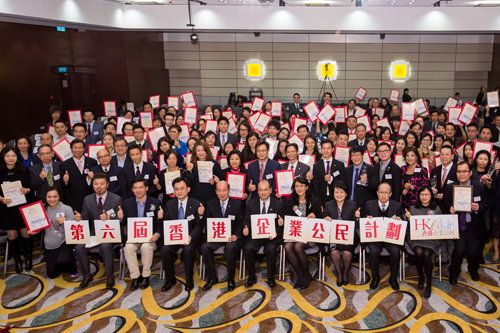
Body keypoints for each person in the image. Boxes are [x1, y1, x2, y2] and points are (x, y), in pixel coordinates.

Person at [74, 172, 122, 289]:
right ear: (92, 184)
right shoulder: (87, 199)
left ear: (107, 184)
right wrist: (80, 217)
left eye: (102, 184)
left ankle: (110, 276)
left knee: (105, 246)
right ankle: (86, 275)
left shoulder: (116, 199)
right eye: (96, 184)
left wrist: (110, 218)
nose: (98, 186)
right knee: (79, 246)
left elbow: (120, 220)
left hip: (109, 232)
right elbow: (85, 217)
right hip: (93, 233)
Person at [445, 161, 490, 284]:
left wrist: (478, 207)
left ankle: (473, 269)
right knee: (458, 251)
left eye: (464, 171)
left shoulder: (479, 187)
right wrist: (450, 208)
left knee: (474, 252)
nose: (462, 174)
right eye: (459, 171)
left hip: (474, 225)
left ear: (470, 173)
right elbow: (446, 202)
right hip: (458, 225)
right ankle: (454, 272)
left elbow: (486, 204)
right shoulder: (450, 187)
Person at [160, 177, 205, 292]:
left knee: (188, 250)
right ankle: (170, 279)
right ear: (173, 191)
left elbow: (199, 226)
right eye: (176, 189)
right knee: (165, 249)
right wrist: (160, 217)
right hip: (174, 237)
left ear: (188, 189)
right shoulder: (169, 204)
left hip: (190, 238)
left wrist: (200, 216)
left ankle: (189, 279)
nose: (179, 191)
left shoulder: (196, 204)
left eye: (182, 188)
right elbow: (166, 224)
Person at [200, 181, 244, 291]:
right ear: (216, 192)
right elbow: (205, 222)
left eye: (224, 190)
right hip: (216, 236)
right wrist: (201, 215)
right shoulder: (211, 204)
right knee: (205, 247)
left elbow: (241, 223)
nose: (222, 193)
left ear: (228, 190)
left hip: (231, 237)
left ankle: (230, 278)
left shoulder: (237, 204)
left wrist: (236, 235)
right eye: (219, 190)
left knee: (230, 248)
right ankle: (212, 278)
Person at [121, 179, 163, 290]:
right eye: (135, 188)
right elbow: (125, 223)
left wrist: (157, 234)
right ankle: (135, 277)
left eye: (141, 187)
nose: (138, 190)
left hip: (150, 238)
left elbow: (160, 223)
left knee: (145, 247)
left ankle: (145, 275)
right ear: (132, 190)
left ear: (146, 188)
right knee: (128, 248)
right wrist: (121, 218)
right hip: (134, 237)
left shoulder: (155, 203)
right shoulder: (127, 203)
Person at [283, 177, 323, 290]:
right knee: (287, 247)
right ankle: (301, 274)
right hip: (295, 233)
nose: (299, 188)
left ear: (306, 187)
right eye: (296, 186)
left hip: (310, 234)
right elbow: (287, 219)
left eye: (301, 185)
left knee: (298, 246)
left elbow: (322, 218)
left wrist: (315, 216)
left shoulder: (314, 200)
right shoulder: (290, 201)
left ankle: (304, 275)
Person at [242, 180, 283, 288]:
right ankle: (251, 277)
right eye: (260, 190)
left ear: (270, 190)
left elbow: (281, 224)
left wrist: (279, 227)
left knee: (271, 249)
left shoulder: (278, 203)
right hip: (256, 235)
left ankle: (270, 278)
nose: (263, 192)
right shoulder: (251, 203)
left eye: (265, 190)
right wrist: (246, 227)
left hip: (271, 237)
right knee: (248, 248)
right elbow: (246, 220)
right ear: (257, 191)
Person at [364, 182, 404, 290]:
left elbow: (403, 224)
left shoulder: (397, 205)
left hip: (390, 238)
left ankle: (393, 278)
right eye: (381, 192)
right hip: (375, 237)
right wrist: (367, 219)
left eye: (386, 193)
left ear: (390, 194)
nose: (383, 195)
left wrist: (399, 221)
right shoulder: (369, 204)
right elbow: (363, 223)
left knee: (396, 251)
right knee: (373, 251)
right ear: (377, 193)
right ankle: (375, 277)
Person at [0, 146, 34, 273]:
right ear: (3, 157)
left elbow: (31, 187)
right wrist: (1, 199)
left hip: (22, 206)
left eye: (13, 156)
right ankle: (18, 261)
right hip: (7, 208)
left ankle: (29, 258)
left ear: (17, 157)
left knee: (26, 233)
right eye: (7, 156)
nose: (10, 158)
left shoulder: (24, 170)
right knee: (12, 234)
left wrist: (26, 190)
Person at [404, 186, 441, 298]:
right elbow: (409, 226)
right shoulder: (413, 208)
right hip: (416, 238)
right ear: (418, 196)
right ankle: (421, 276)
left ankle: (428, 284)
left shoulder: (437, 209)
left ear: (431, 196)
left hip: (431, 238)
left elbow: (440, 226)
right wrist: (408, 218)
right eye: (422, 195)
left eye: (427, 194)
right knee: (419, 252)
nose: (424, 197)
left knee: (426, 254)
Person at [325, 181, 359, 286]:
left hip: (348, 236)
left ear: (346, 194)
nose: (339, 195)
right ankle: (339, 273)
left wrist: (357, 217)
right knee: (334, 252)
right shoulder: (328, 204)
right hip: (333, 236)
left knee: (347, 253)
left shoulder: (352, 205)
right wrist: (326, 218)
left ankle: (345, 272)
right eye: (336, 192)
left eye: (341, 192)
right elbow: (324, 221)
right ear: (333, 193)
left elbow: (356, 225)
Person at [39, 187, 77, 278]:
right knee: (52, 275)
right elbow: (38, 228)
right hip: (49, 243)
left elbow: (74, 227)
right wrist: (33, 231)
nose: (52, 199)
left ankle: (72, 261)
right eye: (49, 197)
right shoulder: (42, 209)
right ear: (45, 197)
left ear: (59, 196)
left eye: (55, 196)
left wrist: (65, 221)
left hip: (64, 241)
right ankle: (60, 261)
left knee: (63, 260)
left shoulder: (66, 208)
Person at [61, 139, 97, 212]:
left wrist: (92, 178)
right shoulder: (64, 165)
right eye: (75, 148)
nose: (77, 150)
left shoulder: (92, 162)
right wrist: (65, 182)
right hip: (73, 201)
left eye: (80, 148)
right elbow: (63, 187)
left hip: (90, 199)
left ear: (84, 149)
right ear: (71, 149)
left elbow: (96, 181)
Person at [430, 145, 457, 212]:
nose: (444, 157)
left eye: (447, 154)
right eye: (442, 154)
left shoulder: (458, 170)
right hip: (436, 207)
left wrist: (444, 195)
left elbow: (460, 188)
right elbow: (432, 185)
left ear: (452, 156)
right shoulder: (434, 170)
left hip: (451, 207)